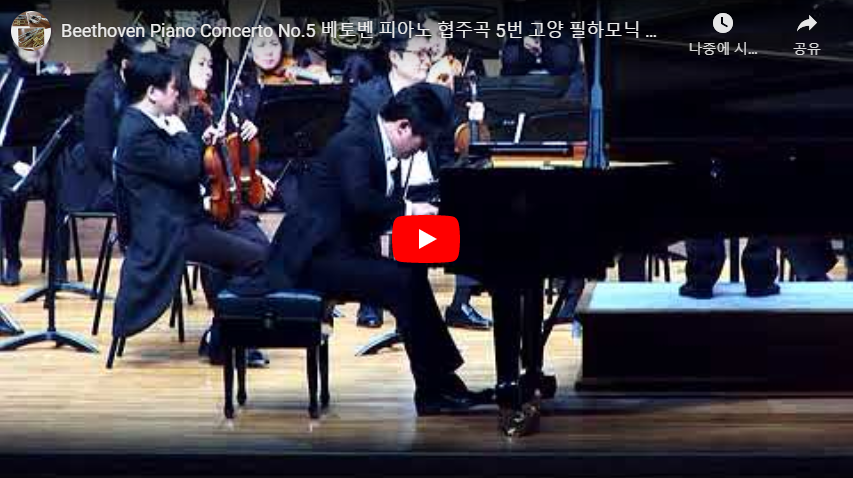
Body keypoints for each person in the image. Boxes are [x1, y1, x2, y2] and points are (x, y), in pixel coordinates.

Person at [265, 83, 492, 414]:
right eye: (422, 140)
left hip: (343, 250)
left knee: (412, 273)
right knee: (403, 280)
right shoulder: (356, 142)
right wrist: (411, 211)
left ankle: (439, 386)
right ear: (403, 127)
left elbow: (373, 215)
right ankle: (436, 389)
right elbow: (361, 200)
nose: (421, 149)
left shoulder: (378, 142)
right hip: (313, 258)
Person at [111, 52, 269, 366]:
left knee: (254, 239)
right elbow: (185, 169)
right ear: (152, 93)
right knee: (256, 259)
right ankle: (224, 339)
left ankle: (225, 334)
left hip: (185, 218)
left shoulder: (151, 122)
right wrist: (184, 134)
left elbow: (185, 168)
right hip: (168, 231)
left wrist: (200, 142)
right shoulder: (138, 132)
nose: (179, 93)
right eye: (173, 88)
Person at [343, 28, 491, 330]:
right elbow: (352, 147)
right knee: (362, 204)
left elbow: (451, 151)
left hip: (430, 187)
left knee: (475, 204)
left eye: (429, 53)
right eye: (420, 53)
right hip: (388, 187)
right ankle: (372, 299)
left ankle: (460, 304)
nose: (427, 60)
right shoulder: (367, 96)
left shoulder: (439, 95)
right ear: (395, 58)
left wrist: (474, 126)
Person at [168, 37, 275, 367]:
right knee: (228, 254)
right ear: (182, 68)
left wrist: (247, 133)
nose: (209, 70)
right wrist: (198, 145)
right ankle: (226, 336)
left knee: (262, 246)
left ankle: (229, 329)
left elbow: (235, 154)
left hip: (223, 203)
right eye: (200, 64)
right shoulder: (175, 114)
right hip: (191, 212)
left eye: (210, 64)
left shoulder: (217, 103)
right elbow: (180, 172)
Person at [0, 45, 70, 286]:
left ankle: (58, 262)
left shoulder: (52, 74)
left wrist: (66, 88)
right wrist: (13, 162)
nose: (36, 47)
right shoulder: (4, 77)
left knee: (61, 189)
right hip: (11, 162)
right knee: (13, 193)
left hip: (45, 160)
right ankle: (12, 259)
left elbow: (65, 123)